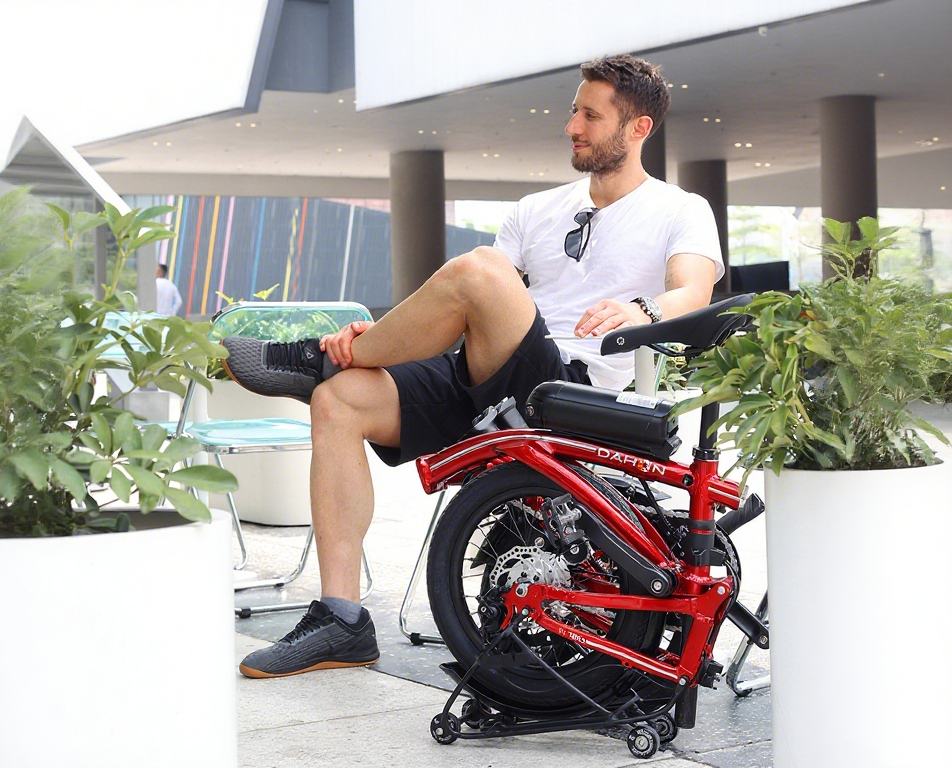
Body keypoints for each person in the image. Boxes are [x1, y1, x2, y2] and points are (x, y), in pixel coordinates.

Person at [222, 54, 723, 679]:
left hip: (570, 391)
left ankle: (315, 359)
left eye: (591, 116)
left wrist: (641, 308)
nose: (572, 125)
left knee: (479, 269)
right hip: (488, 375)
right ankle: (341, 621)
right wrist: (388, 340)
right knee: (340, 400)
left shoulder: (680, 208)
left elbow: (692, 292)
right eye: (574, 110)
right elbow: (466, 305)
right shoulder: (538, 208)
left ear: (639, 128)